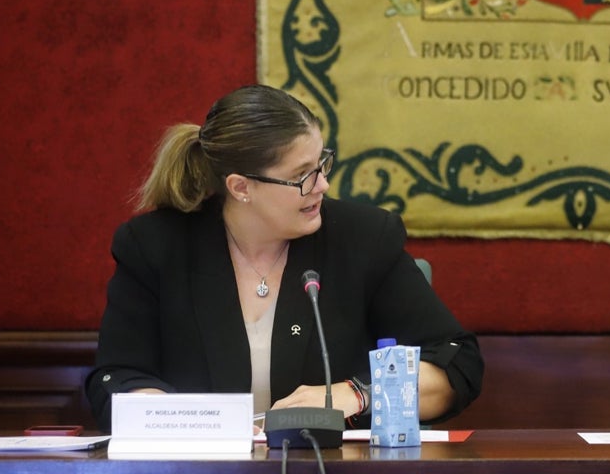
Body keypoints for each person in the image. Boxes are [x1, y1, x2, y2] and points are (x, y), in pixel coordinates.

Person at [84, 84, 483, 432]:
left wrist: (356, 394)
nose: (322, 185)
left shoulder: (362, 238)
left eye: (321, 164)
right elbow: (116, 376)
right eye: (303, 175)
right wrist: (178, 419)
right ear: (241, 187)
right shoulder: (156, 246)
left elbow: (456, 363)